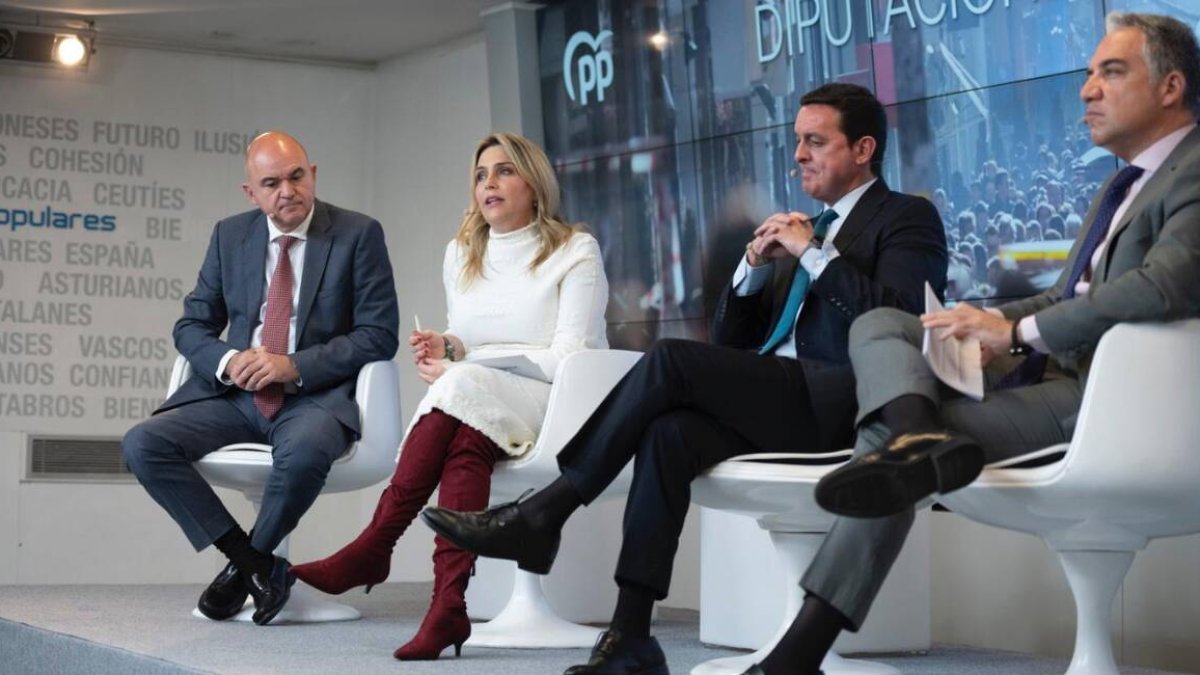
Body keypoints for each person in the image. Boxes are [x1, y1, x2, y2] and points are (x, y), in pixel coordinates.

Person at [422, 83, 948, 675]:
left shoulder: (906, 217)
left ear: (863, 149)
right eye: (797, 140)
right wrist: (752, 270)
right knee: (669, 432)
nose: (799, 153)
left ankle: (545, 512)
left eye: (815, 141)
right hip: (784, 400)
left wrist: (813, 255)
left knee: (671, 358)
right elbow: (731, 345)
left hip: (848, 402)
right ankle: (631, 637)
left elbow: (899, 319)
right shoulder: (806, 227)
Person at [747, 12, 1200, 675]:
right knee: (883, 325)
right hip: (1056, 379)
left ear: (1170, 87)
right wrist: (977, 320)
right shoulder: (1122, 183)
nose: (1086, 90)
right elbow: (1071, 295)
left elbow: (1162, 288)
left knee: (888, 449)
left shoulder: (1190, 172)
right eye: (1087, 74)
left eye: (1111, 71)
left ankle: (800, 648)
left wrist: (1014, 332)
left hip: (1110, 402)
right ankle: (911, 433)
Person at [290, 133, 609, 660]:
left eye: (505, 171)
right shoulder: (461, 253)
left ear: (534, 182)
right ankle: (448, 607)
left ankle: (376, 544)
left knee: (458, 386)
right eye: (481, 175)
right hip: (486, 408)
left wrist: (463, 364)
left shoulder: (575, 250)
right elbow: (473, 345)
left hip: (559, 402)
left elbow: (568, 357)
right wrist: (450, 345)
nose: (490, 184)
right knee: (466, 439)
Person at [122, 131, 400, 626]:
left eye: (296, 177)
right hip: (233, 396)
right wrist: (230, 361)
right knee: (143, 444)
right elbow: (191, 326)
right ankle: (254, 566)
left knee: (306, 453)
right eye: (271, 183)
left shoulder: (358, 234)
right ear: (251, 192)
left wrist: (294, 365)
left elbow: (378, 335)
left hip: (312, 398)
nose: (287, 191)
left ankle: (240, 570)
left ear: (312, 174)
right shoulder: (231, 236)